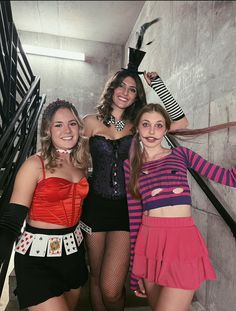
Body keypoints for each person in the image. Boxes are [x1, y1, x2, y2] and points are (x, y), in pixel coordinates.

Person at [81, 68, 189, 311]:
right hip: (94, 208)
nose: (125, 92)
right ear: (111, 88)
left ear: (136, 95)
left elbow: (181, 123)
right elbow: (75, 160)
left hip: (126, 210)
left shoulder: (137, 124)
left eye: (132, 89)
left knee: (110, 287)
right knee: (96, 277)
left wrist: (158, 85)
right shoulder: (90, 122)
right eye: (121, 85)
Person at [123, 103, 236, 311]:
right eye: (146, 124)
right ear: (137, 128)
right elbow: (135, 218)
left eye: (158, 125)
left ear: (166, 130)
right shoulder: (131, 165)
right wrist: (134, 271)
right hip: (149, 243)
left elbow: (230, 178)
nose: (151, 131)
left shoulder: (181, 154)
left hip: (182, 242)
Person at [0, 99, 90, 310]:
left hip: (73, 256)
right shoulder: (34, 164)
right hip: (37, 261)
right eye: (58, 124)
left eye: (72, 123)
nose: (67, 130)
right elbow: (12, 220)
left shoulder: (80, 164)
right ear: (48, 130)